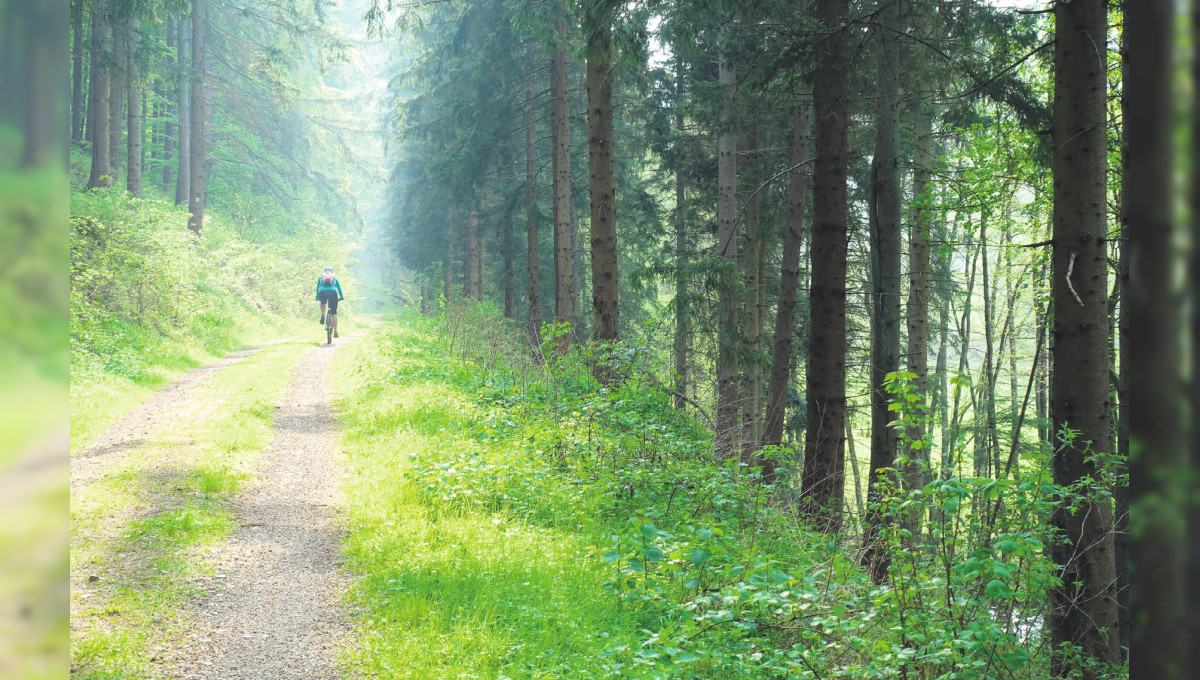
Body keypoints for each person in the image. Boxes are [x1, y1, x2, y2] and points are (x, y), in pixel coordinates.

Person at [316, 267, 344, 338]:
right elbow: (339, 288)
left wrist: (317, 297)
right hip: (333, 293)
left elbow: (317, 288)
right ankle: (335, 332)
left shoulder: (321, 277)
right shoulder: (334, 278)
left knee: (323, 302)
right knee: (334, 312)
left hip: (322, 292)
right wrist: (341, 297)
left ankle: (323, 315)